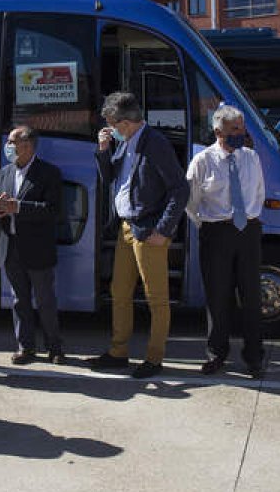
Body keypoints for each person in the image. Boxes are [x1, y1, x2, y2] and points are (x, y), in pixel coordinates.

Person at [88, 92, 189, 379]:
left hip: (148, 230)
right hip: (126, 227)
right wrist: (104, 149)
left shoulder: (155, 143)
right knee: (119, 292)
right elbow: (109, 177)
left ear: (127, 122)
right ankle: (118, 353)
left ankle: (154, 359)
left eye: (111, 124)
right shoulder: (126, 142)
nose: (109, 128)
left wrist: (163, 230)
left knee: (156, 298)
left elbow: (179, 189)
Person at [185, 106, 266, 378]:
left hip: (248, 231)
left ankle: (254, 357)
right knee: (218, 297)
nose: (240, 134)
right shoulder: (202, 161)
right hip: (216, 232)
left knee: (252, 297)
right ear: (218, 131)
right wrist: (205, 225)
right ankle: (216, 354)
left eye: (242, 128)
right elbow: (190, 202)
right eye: (234, 129)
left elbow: (259, 192)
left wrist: (251, 219)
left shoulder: (252, 157)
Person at [0, 126, 66, 365]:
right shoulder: (6, 172)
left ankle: (55, 348)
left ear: (28, 146)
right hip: (10, 247)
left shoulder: (49, 173)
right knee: (19, 301)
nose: (8, 146)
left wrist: (19, 207)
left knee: (45, 301)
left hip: (37, 249)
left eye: (12, 142)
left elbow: (54, 211)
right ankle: (26, 347)